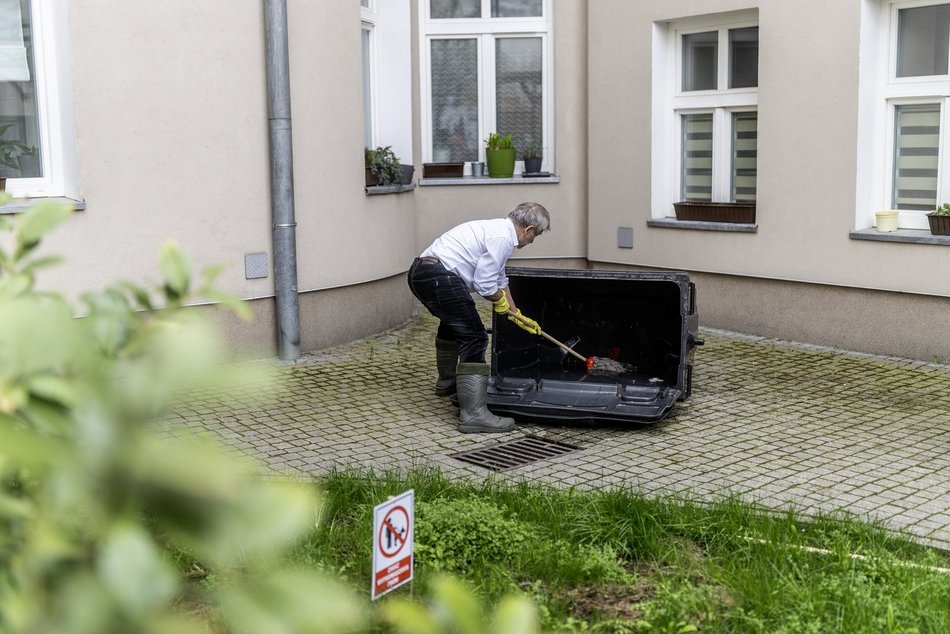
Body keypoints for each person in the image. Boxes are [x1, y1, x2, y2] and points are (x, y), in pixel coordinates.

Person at [407, 202, 550, 433]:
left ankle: (447, 383)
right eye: (537, 235)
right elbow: (485, 285)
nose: (533, 241)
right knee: (475, 337)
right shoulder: (502, 239)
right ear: (528, 229)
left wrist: (516, 313)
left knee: (454, 323)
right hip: (437, 276)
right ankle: (474, 415)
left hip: (422, 272)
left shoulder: (498, 231)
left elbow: (499, 280)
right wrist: (499, 302)